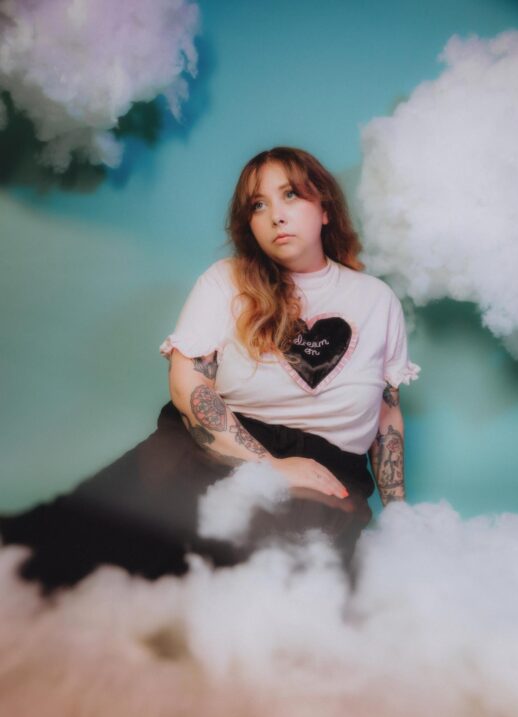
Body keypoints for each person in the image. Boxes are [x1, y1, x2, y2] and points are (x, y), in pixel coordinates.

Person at [0, 146, 420, 593]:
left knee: (268, 582)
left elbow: (385, 414)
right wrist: (269, 466)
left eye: (291, 196)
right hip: (213, 444)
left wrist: (400, 520)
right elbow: (188, 386)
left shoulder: (376, 300)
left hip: (326, 470)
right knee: (69, 543)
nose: (276, 215)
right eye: (259, 205)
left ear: (325, 210)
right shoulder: (227, 280)